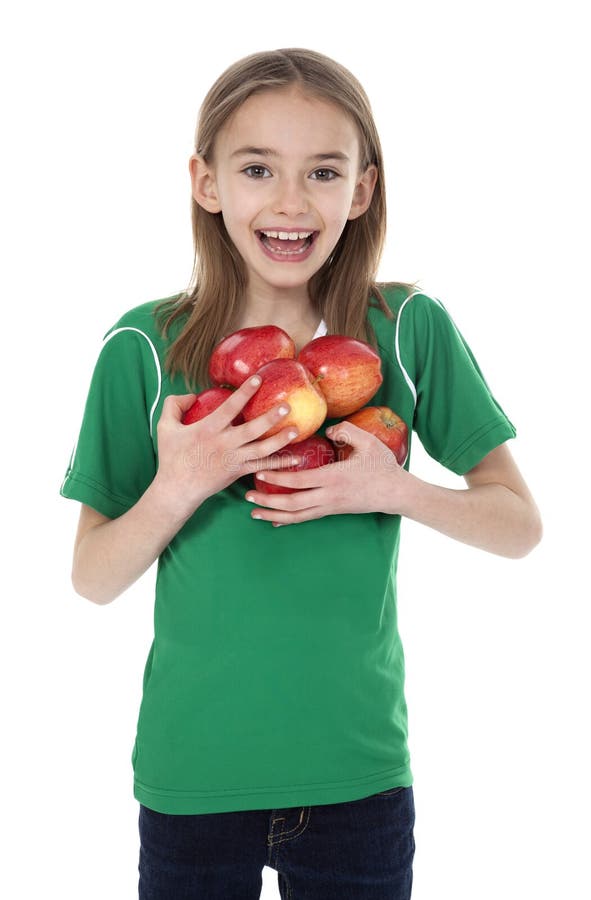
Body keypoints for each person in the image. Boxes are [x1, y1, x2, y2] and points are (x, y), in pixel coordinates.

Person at [60, 48, 542, 900]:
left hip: (357, 775)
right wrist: (180, 484)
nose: (290, 202)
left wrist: (390, 488)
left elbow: (517, 525)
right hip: (193, 773)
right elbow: (92, 579)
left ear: (361, 190)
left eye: (323, 171)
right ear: (207, 183)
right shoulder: (145, 349)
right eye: (256, 169)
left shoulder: (403, 330)